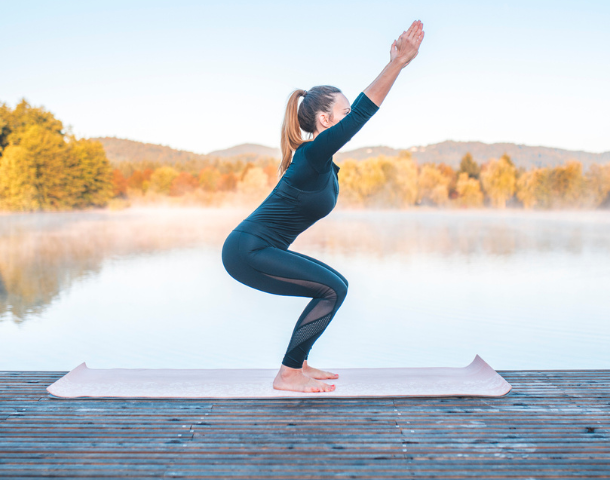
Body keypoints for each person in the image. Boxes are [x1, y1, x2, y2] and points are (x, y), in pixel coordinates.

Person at [222, 20, 425, 393]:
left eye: (347, 113)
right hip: (246, 250)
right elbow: (366, 111)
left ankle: (297, 364)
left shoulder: (322, 163)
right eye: (343, 113)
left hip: (255, 249)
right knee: (331, 288)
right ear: (324, 120)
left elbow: (358, 114)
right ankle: (288, 374)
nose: (349, 119)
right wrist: (397, 64)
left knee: (337, 286)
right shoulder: (313, 153)